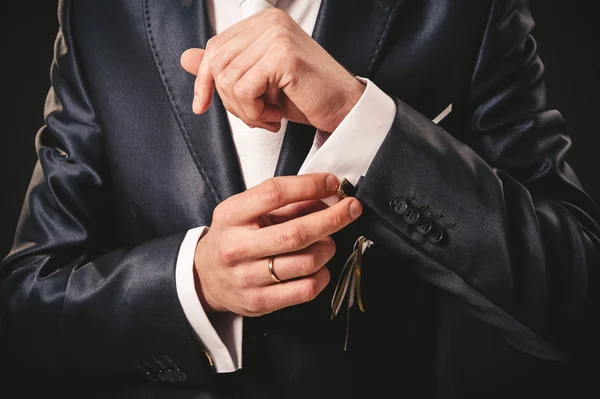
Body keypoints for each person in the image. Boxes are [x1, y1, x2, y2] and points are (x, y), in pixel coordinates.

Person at [1, 0, 598, 397]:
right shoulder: (100, 15)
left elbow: (580, 298)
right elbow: (27, 304)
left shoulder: (469, 13)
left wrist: (357, 117)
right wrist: (194, 283)